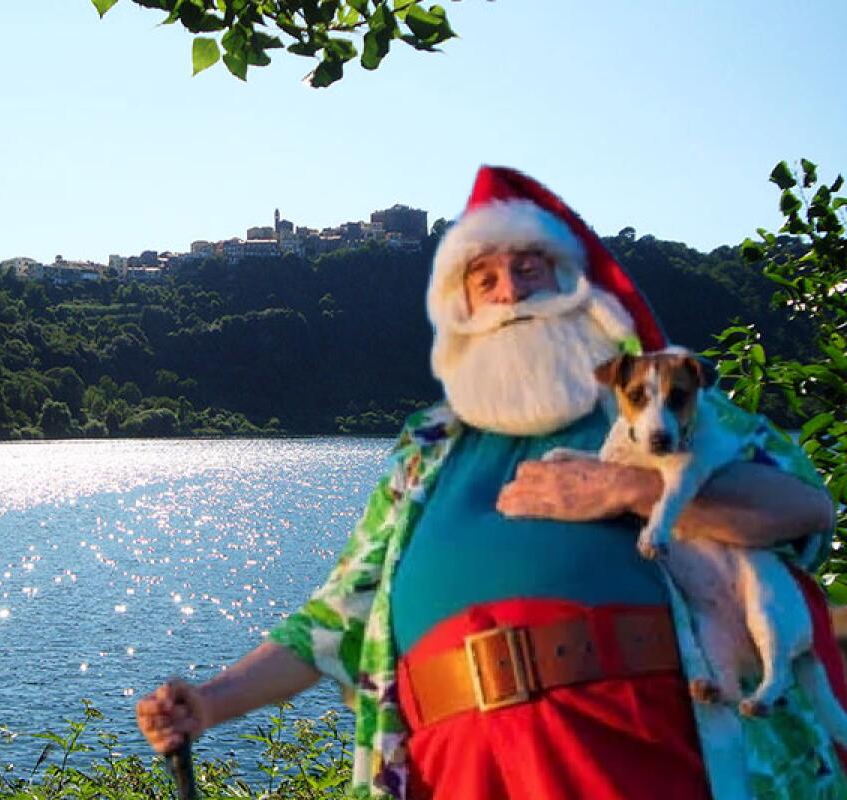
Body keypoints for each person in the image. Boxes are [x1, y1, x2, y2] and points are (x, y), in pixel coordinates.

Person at [136, 166, 844, 799]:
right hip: (458, 767)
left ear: (575, 287)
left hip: (639, 747)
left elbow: (805, 508)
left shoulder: (656, 404)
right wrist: (210, 700)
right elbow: (332, 618)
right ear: (465, 312)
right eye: (486, 278)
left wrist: (633, 492)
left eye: (530, 267)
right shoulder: (427, 447)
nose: (510, 292)